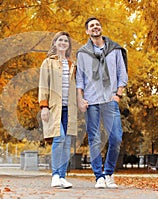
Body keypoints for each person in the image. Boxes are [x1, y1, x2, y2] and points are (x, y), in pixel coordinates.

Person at [76, 17, 128, 189]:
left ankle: (109, 173)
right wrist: (80, 98)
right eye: (91, 26)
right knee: (94, 139)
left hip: (110, 100)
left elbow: (122, 73)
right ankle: (99, 176)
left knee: (115, 137)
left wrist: (118, 95)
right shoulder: (83, 53)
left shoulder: (115, 49)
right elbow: (80, 78)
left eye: (97, 24)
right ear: (87, 31)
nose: (95, 27)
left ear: (101, 28)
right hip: (91, 101)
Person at [38, 31, 77, 189]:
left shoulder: (72, 64)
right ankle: (55, 175)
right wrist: (44, 106)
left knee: (67, 142)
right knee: (59, 138)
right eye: (60, 40)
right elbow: (43, 84)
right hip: (54, 107)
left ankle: (62, 177)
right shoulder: (48, 63)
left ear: (68, 45)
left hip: (69, 108)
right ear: (55, 43)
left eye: (65, 41)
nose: (63, 43)